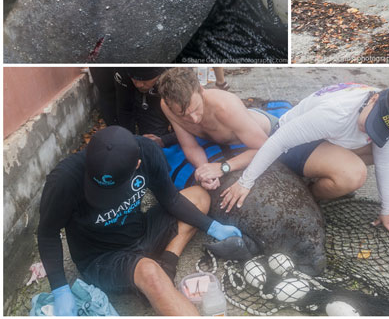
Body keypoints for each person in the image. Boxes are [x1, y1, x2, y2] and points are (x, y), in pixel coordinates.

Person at [37, 126, 242, 316]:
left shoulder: (147, 151)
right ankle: (156, 273)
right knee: (150, 272)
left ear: (137, 165)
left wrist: (213, 227)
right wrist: (60, 289)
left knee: (199, 197)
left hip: (142, 232)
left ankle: (168, 263)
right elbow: (47, 233)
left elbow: (170, 198)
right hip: (102, 258)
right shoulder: (64, 180)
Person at [229, 82, 389, 238]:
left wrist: (387, 211)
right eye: (372, 124)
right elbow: (278, 141)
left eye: (378, 130)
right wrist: (245, 181)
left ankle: (329, 173)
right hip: (294, 146)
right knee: (354, 175)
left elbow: (385, 164)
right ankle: (309, 195)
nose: (370, 131)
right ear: (374, 99)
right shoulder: (336, 113)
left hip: (330, 140)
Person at [157, 67, 273, 194]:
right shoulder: (166, 106)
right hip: (220, 139)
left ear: (201, 90)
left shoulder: (226, 107)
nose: (194, 120)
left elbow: (267, 149)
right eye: (184, 115)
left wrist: (224, 167)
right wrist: (205, 171)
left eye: (196, 109)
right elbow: (190, 146)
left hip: (264, 133)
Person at [113, 68, 176, 148]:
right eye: (134, 79)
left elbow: (188, 125)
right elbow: (124, 109)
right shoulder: (122, 69)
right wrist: (129, 140)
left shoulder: (178, 76)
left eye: (145, 80)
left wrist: (165, 140)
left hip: (169, 85)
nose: (138, 84)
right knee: (150, 141)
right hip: (141, 94)